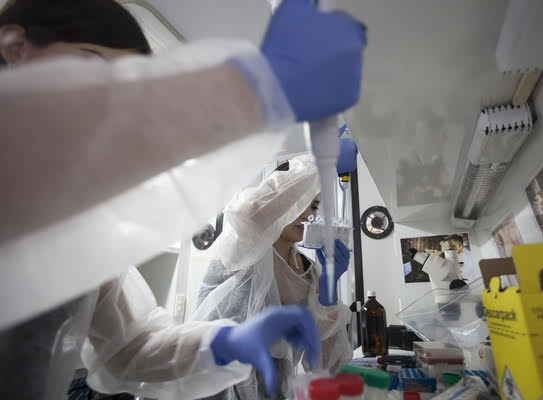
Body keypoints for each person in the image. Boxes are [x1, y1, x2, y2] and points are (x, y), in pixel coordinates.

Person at [0, 0, 367, 399]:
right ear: (14, 46)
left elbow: (129, 348)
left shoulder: (76, 220)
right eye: (91, 65)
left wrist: (227, 344)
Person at [194, 149, 357, 399]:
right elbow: (247, 212)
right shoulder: (243, 247)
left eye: (313, 205)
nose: (308, 214)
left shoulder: (310, 271)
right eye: (298, 203)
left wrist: (329, 289)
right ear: (279, 200)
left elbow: (324, 362)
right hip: (212, 387)